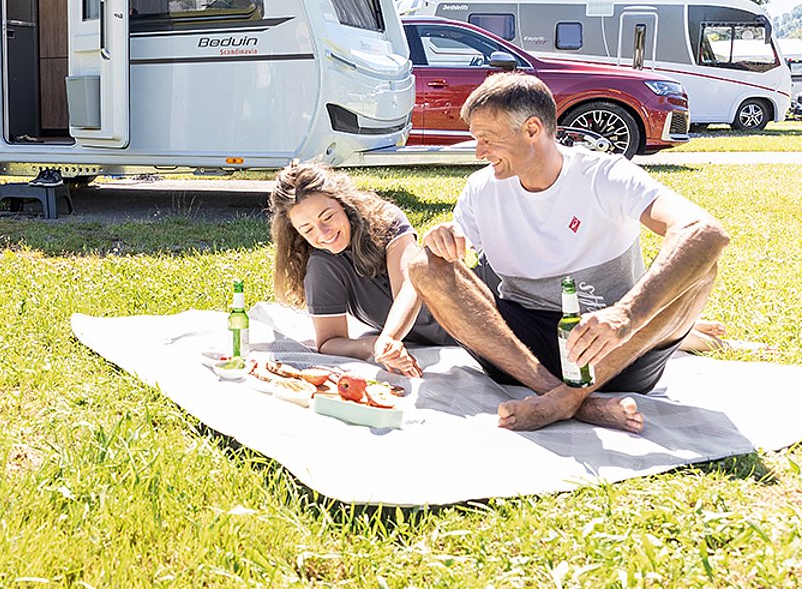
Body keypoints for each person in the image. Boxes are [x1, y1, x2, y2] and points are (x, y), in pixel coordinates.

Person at [408, 73, 729, 433]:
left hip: (610, 351)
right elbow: (455, 258)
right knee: (423, 263)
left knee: (701, 266)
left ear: (532, 129)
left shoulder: (604, 175)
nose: (479, 152)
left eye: (487, 139)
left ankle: (566, 399)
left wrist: (624, 316)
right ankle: (568, 399)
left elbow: (705, 231)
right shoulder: (482, 188)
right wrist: (443, 241)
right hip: (520, 350)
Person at [269, 162, 457, 377]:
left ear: (343, 203)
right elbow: (329, 342)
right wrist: (374, 346)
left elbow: (409, 286)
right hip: (429, 340)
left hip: (472, 315)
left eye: (328, 217)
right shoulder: (322, 265)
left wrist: (390, 338)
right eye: (308, 229)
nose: (323, 233)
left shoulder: (387, 220)